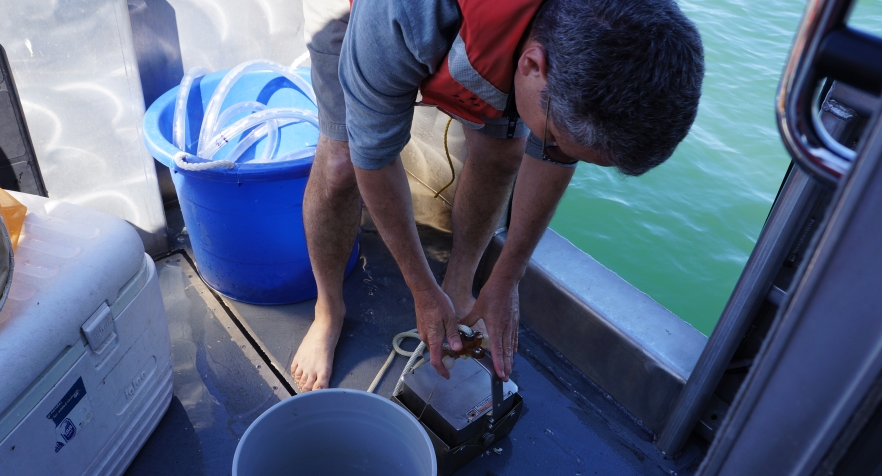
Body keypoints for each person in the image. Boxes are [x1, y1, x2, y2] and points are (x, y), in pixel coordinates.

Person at [291, 0, 704, 391]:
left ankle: (457, 286)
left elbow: (556, 149)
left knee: (504, 151)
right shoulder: (406, 12)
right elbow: (374, 158)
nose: (552, 155)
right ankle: (328, 310)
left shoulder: (613, 28)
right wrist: (420, 289)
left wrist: (507, 277)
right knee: (342, 161)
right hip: (359, 14)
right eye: (555, 143)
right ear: (532, 65)